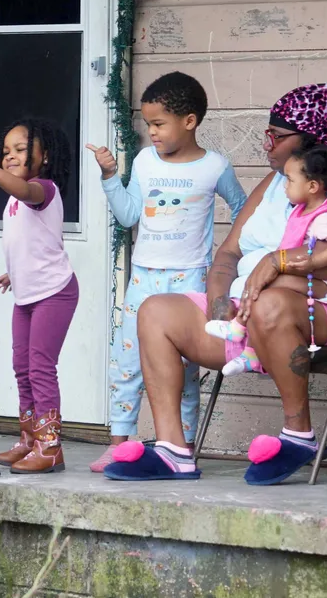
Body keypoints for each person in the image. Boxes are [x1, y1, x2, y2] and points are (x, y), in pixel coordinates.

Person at [104, 83, 327, 486]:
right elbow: (227, 255)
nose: (267, 145)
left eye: (276, 137)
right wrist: (224, 309)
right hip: (251, 309)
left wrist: (277, 265)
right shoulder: (278, 182)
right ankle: (174, 451)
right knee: (156, 311)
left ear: (314, 141)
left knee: (270, 304)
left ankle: (299, 435)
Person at [83, 72, 246, 472]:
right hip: (144, 278)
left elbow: (244, 210)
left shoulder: (214, 167)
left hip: (190, 280)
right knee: (128, 362)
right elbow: (128, 215)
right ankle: (119, 442)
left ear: (189, 121)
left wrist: (235, 259)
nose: (151, 132)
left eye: (158, 124)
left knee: (185, 372)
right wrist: (109, 177)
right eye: (148, 124)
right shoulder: (143, 161)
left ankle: (181, 445)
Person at [206, 143, 327, 376]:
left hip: (325, 286)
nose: (284, 186)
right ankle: (250, 352)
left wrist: (314, 263)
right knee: (261, 288)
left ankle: (238, 328)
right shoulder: (300, 209)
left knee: (264, 287)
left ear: (312, 186)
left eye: (290, 181)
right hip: (305, 278)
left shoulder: (325, 215)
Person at [0, 117, 79, 474]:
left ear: (45, 157)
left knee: (41, 367)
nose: (9, 156)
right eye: (5, 151)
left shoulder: (43, 189)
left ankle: (50, 446)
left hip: (54, 293)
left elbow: (25, 194)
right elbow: (31, 242)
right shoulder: (13, 201)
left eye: (20, 150)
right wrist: (15, 272)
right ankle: (28, 439)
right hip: (26, 294)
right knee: (21, 367)